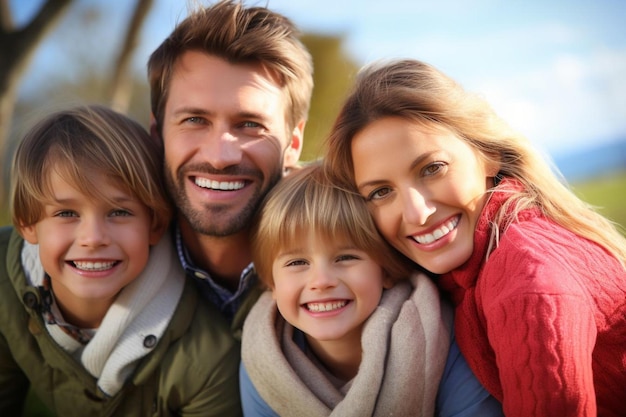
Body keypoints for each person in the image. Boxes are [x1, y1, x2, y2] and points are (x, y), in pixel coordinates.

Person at [323, 58, 626, 417]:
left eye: (432, 169)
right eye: (380, 192)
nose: (416, 212)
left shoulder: (527, 283)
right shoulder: (470, 268)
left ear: (488, 155)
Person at [0, 105, 242, 416]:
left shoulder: (207, 357)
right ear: (28, 224)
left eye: (119, 212)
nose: (93, 237)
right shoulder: (6, 284)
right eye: (66, 214)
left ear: (154, 224)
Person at [239, 162, 503, 416]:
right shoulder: (265, 359)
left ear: (386, 269)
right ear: (271, 283)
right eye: (297, 262)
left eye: (346, 258)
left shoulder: (441, 337)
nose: (321, 281)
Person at [147, 0, 314, 336]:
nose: (220, 156)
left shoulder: (365, 251)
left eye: (250, 124)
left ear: (293, 144)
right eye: (194, 120)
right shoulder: (105, 249)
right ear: (157, 135)